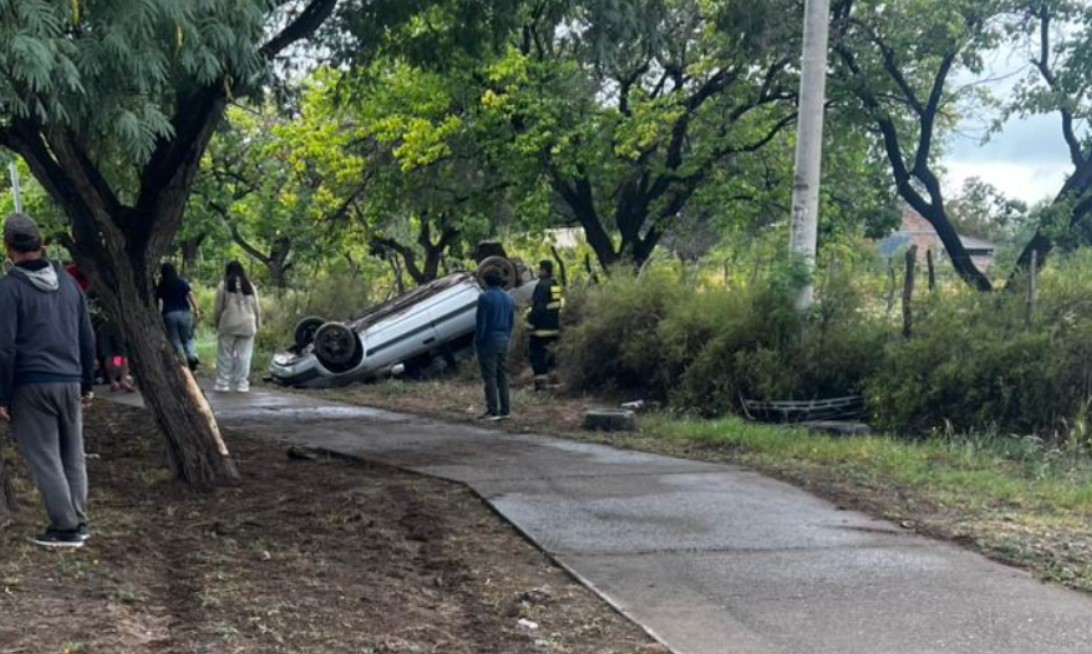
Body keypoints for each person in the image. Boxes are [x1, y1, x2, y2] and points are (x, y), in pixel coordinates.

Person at [0, 213, 95, 548]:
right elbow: (87, 335)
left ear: (8, 248)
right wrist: (87, 383)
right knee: (73, 454)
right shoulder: (68, 283)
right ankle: (79, 521)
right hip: (70, 380)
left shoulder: (9, 289)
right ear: (41, 244)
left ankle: (65, 528)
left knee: (45, 457)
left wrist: (2, 396)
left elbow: (5, 348)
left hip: (31, 383)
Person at [213, 261, 261, 393]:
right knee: (244, 356)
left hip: (229, 323)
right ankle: (242, 384)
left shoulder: (224, 285)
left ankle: (223, 383)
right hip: (248, 325)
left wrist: (216, 322)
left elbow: (218, 308)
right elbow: (257, 308)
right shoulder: (250, 286)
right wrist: (258, 323)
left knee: (225, 355)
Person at [475, 270, 515, 420]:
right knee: (502, 375)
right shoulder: (508, 298)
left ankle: (492, 410)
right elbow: (511, 321)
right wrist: (507, 336)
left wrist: (478, 341)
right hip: (503, 339)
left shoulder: (484, 297)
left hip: (488, 340)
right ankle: (505, 410)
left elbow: (481, 323)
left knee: (490, 376)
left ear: (486, 282)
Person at [155, 263, 201, 371]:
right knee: (188, 337)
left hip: (169, 314)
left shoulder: (162, 285)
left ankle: (182, 361)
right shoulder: (181, 282)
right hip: (184, 312)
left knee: (175, 339)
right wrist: (196, 309)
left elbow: (159, 300)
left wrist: (158, 313)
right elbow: (190, 295)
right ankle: (191, 356)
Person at [527, 259, 563, 391]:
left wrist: (530, 322)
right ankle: (553, 384)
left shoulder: (541, 285)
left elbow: (538, 308)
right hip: (554, 328)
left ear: (544, 270)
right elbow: (557, 305)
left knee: (537, 355)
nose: (538, 271)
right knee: (551, 356)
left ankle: (541, 387)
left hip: (540, 330)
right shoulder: (555, 285)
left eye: (539, 269)